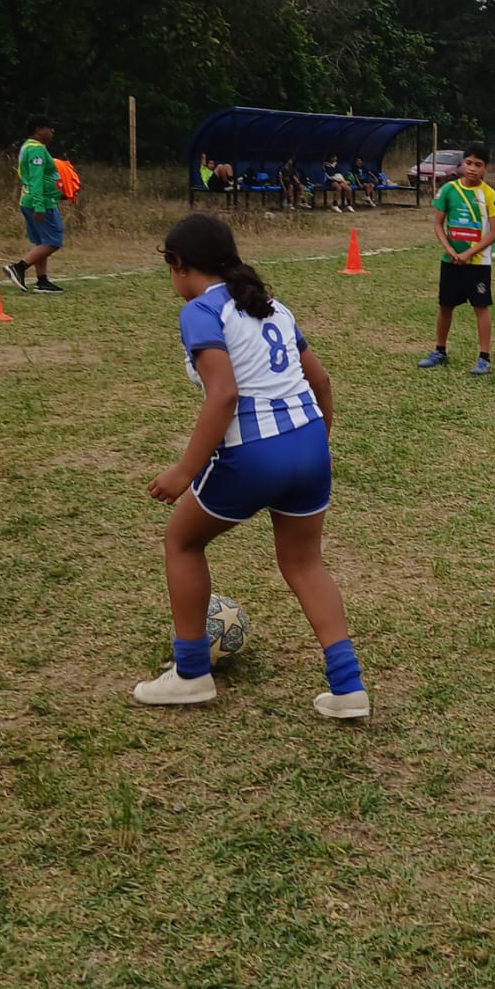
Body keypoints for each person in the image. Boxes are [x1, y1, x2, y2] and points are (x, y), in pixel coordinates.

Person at [133, 214, 368, 718]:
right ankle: (349, 686)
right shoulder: (274, 306)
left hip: (255, 454)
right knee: (305, 564)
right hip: (310, 443)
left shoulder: (201, 310)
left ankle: (191, 674)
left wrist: (183, 472)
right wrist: (314, 449)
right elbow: (321, 382)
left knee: (182, 542)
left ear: (179, 264)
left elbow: (223, 395)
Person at [418, 144, 495, 374]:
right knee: (445, 305)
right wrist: (448, 249)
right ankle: (439, 351)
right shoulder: (449, 190)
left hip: (477, 264)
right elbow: (438, 224)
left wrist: (468, 253)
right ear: (462, 164)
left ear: (485, 169)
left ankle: (484, 358)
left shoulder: (489, 195)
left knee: (481, 307)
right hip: (451, 261)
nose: (472, 169)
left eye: (478, 165)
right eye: (469, 163)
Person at [4, 115, 66, 294]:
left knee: (42, 242)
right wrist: (39, 206)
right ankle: (19, 268)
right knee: (54, 240)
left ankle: (42, 281)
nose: (52, 131)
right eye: (49, 127)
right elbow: (36, 179)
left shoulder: (28, 147)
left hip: (31, 200)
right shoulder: (36, 150)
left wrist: (58, 192)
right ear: (39, 130)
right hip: (40, 203)